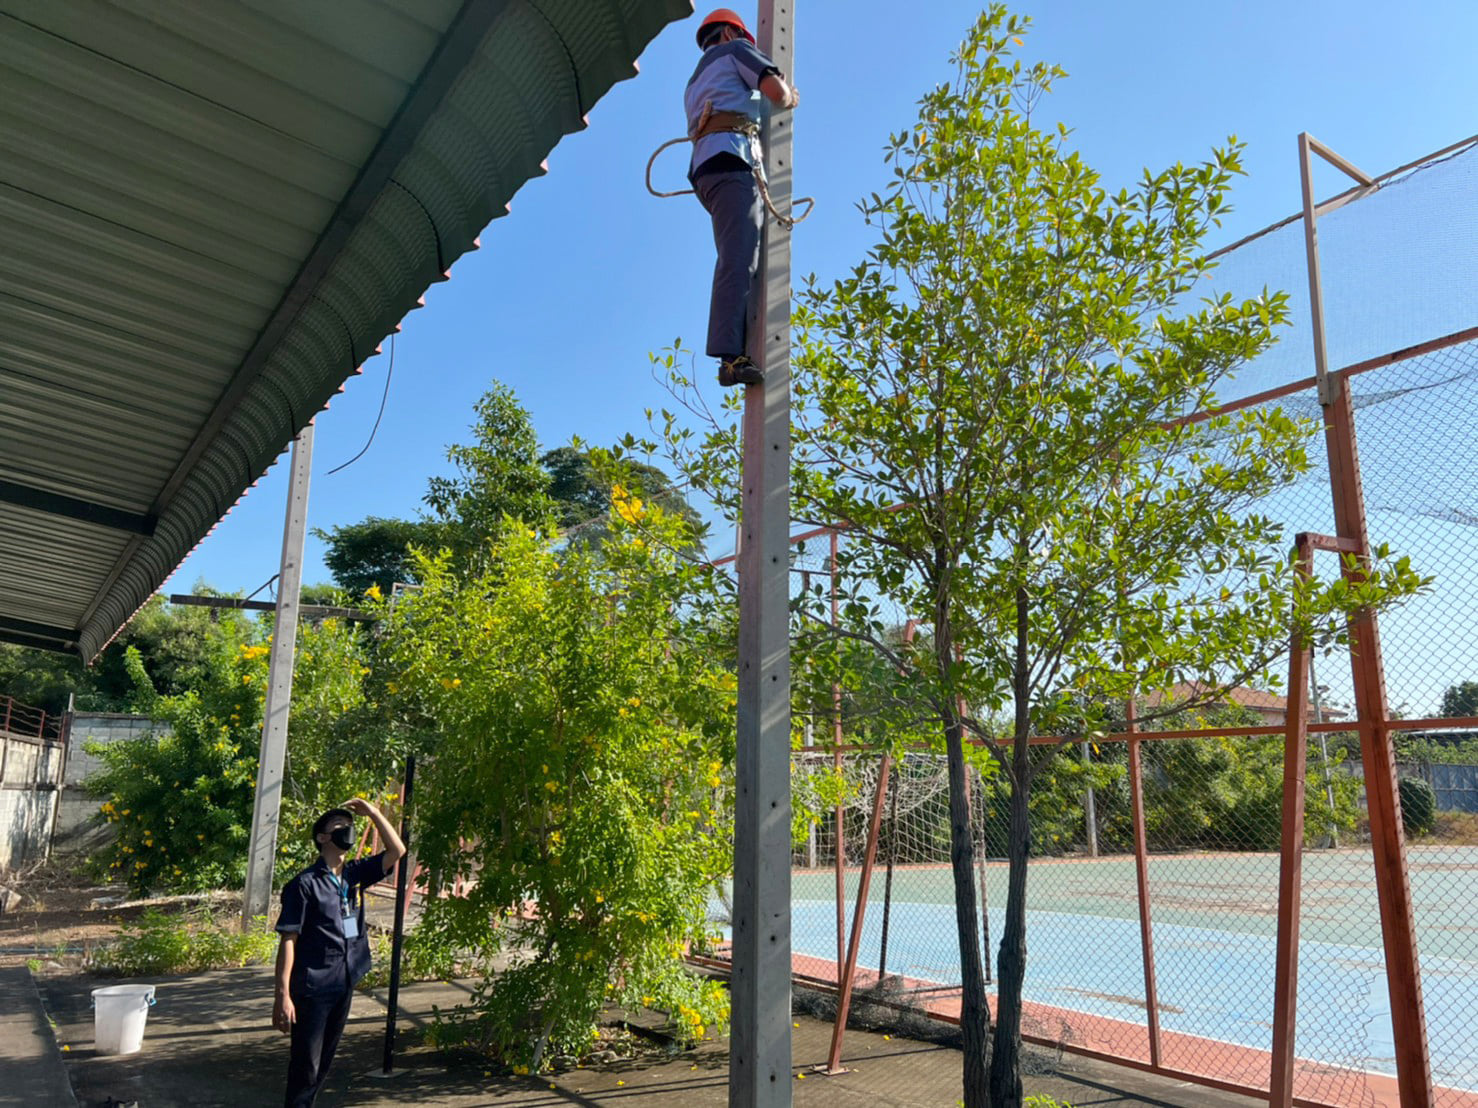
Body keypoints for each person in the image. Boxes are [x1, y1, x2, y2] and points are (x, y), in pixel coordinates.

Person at [685, 8, 800, 388]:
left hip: (707, 170)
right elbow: (777, 94)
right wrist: (789, 95)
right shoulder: (736, 51)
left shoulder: (695, 79)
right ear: (731, 33)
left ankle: (735, 344)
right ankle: (730, 357)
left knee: (740, 251)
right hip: (732, 159)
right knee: (738, 256)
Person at [272, 798, 405, 1107]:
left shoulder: (353, 875)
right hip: (313, 985)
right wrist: (283, 994)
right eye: (339, 827)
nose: (347, 831)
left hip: (344, 979)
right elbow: (288, 939)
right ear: (323, 837)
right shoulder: (304, 885)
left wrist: (373, 812)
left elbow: (397, 851)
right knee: (307, 1063)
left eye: (350, 827)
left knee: (325, 1061)